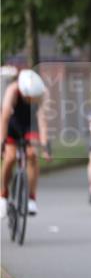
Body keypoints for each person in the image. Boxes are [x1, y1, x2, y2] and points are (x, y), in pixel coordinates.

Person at [1, 69, 51, 216]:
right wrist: (2, 143)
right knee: (9, 158)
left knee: (32, 155)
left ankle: (31, 198)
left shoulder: (42, 93)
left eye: (33, 98)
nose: (30, 100)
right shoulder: (12, 90)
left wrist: (45, 146)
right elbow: (4, 117)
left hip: (30, 124)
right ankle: (3, 194)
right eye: (28, 97)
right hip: (12, 124)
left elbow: (42, 120)